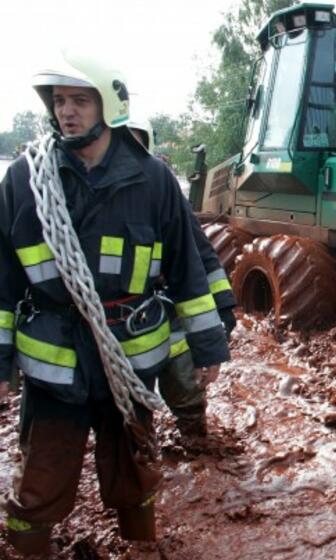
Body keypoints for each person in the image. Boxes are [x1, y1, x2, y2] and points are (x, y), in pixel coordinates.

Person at [0, 50, 230, 555]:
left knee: (135, 476)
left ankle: (141, 548)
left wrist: (209, 348)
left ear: (109, 105)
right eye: (59, 101)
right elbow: (2, 279)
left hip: (128, 361)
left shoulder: (153, 181)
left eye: (80, 100)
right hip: (54, 369)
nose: (67, 112)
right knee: (40, 483)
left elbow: (189, 269)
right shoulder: (23, 180)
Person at [127, 117, 237, 439]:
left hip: (172, 313)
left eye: (136, 144)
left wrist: (224, 305)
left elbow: (200, 255)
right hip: (126, 327)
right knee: (131, 414)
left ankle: (195, 443)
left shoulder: (164, 192)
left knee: (187, 392)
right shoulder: (102, 202)